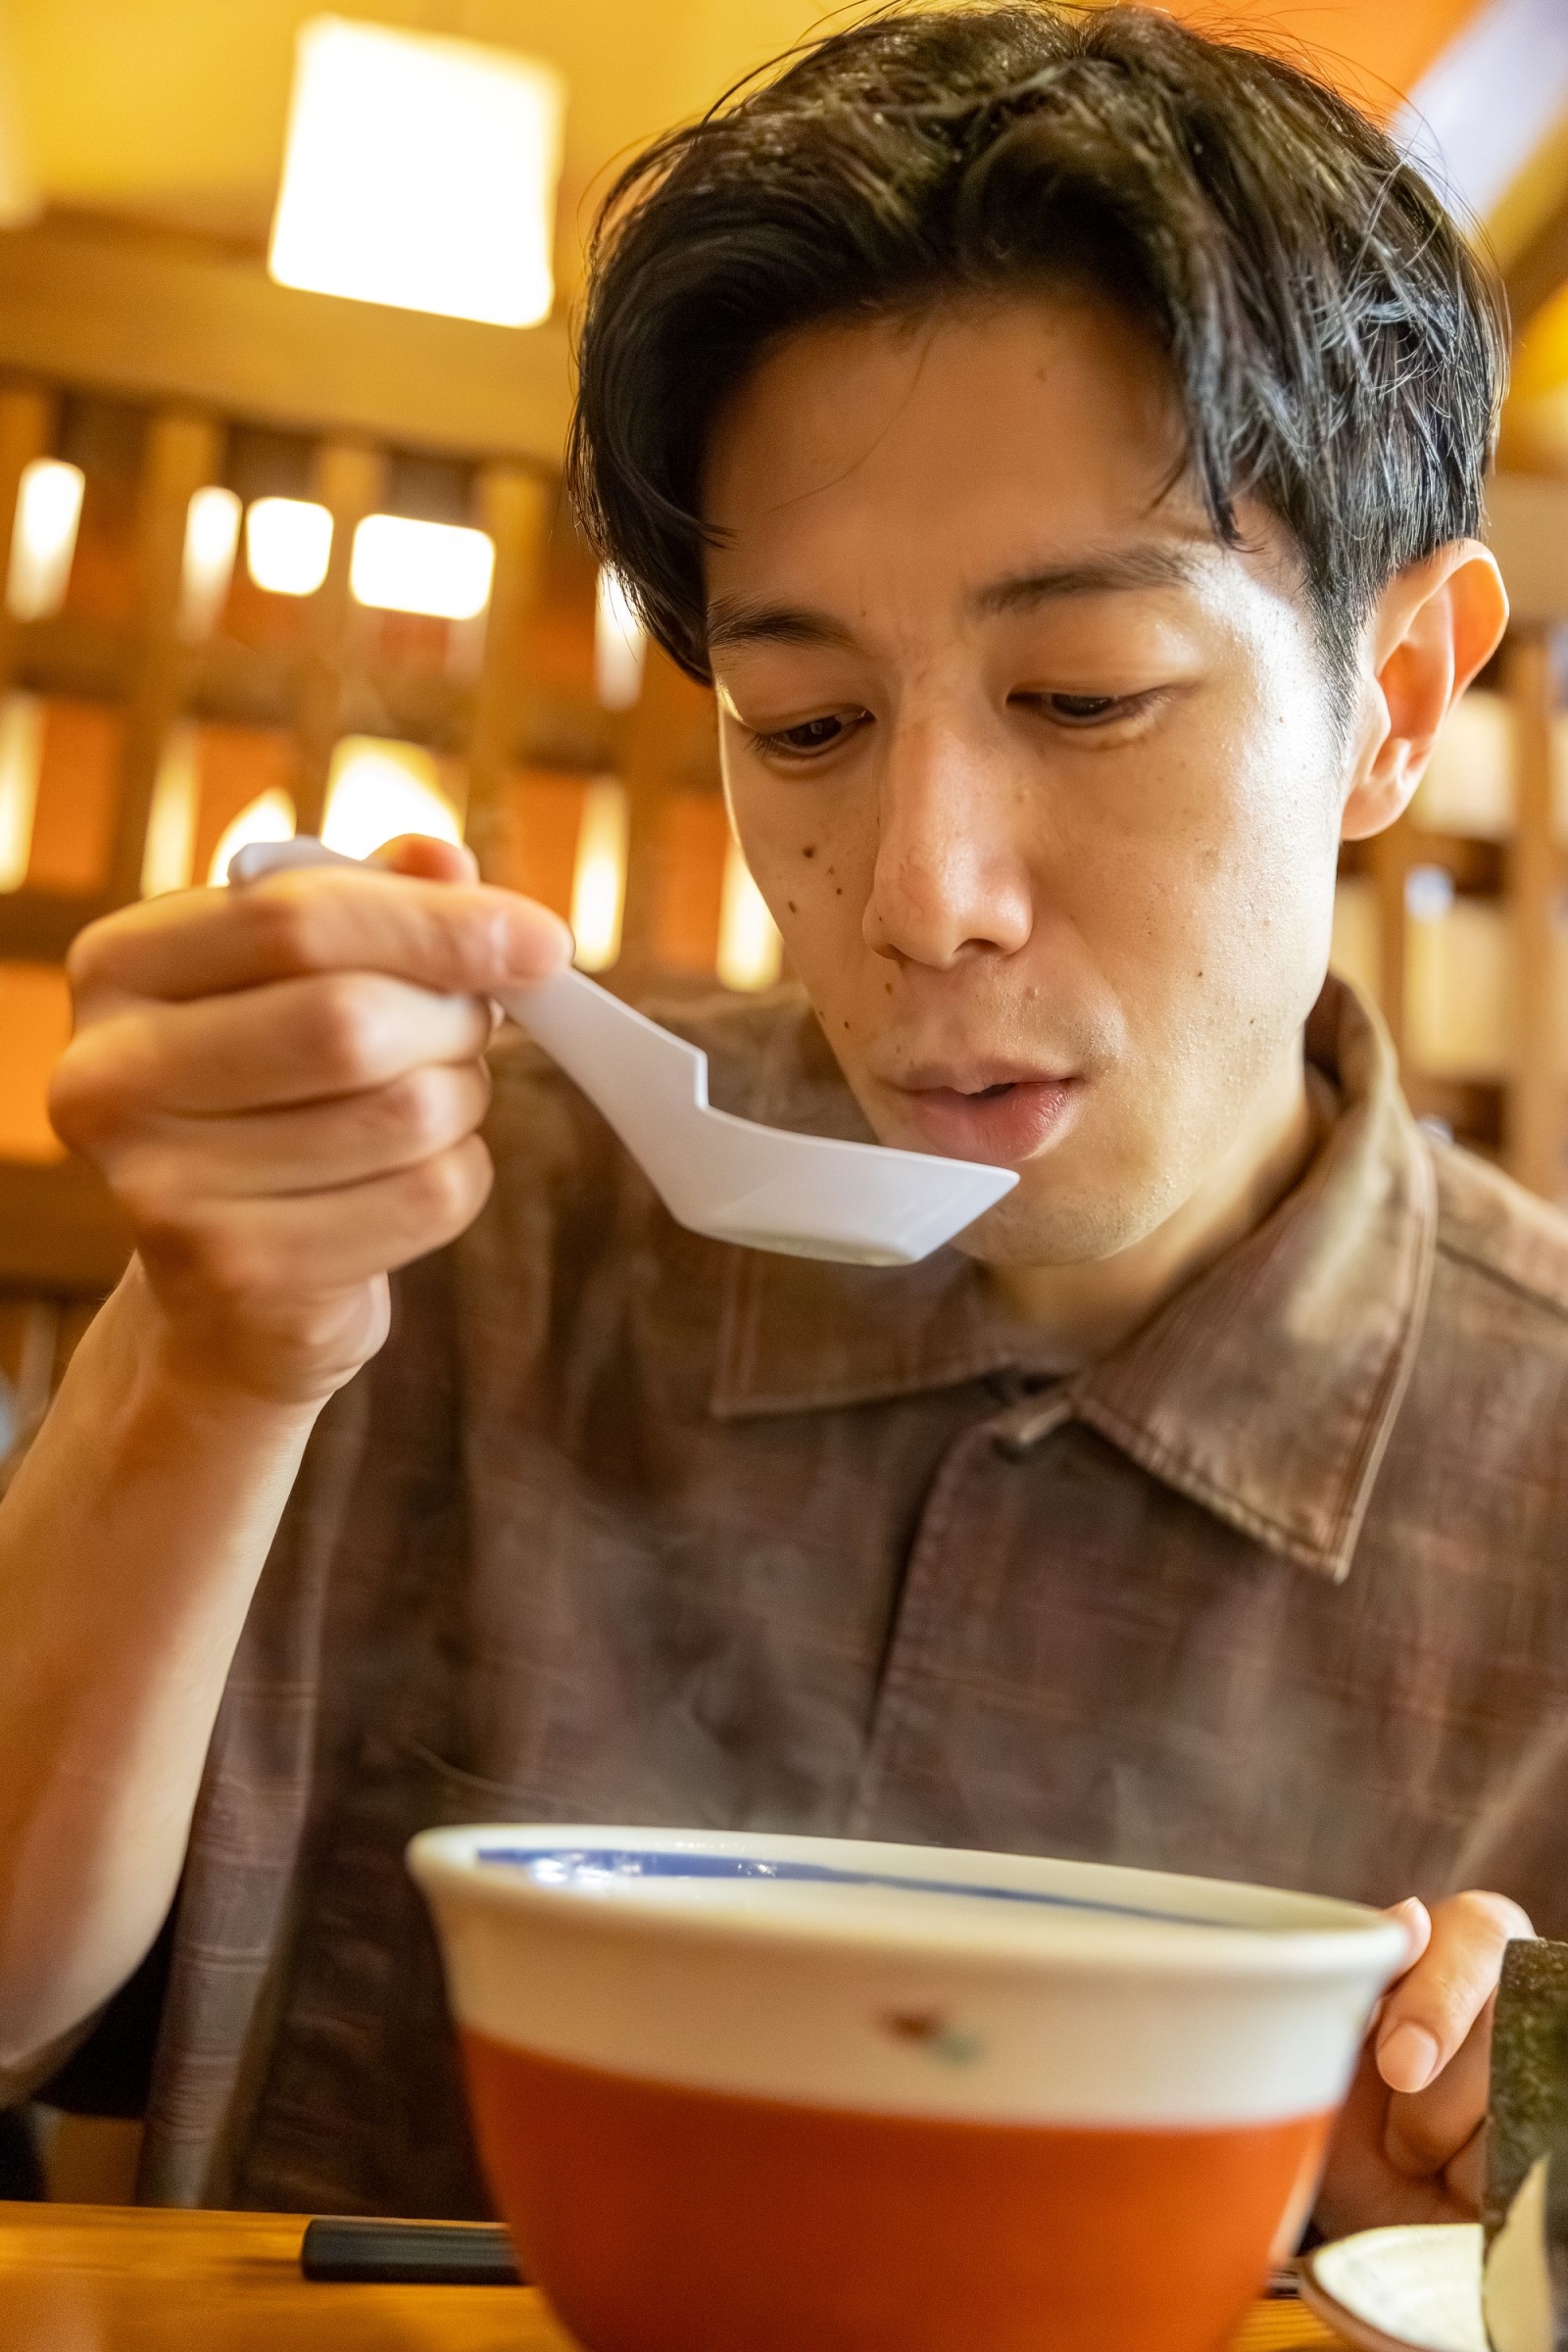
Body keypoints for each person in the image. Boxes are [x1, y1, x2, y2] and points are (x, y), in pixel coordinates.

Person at [0, 2, 1556, 2237]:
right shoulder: (448, 1223)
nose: (923, 899)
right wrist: (211, 1360)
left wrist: (1527, 2175)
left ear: (1390, 702)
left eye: (1082, 695)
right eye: (807, 722)